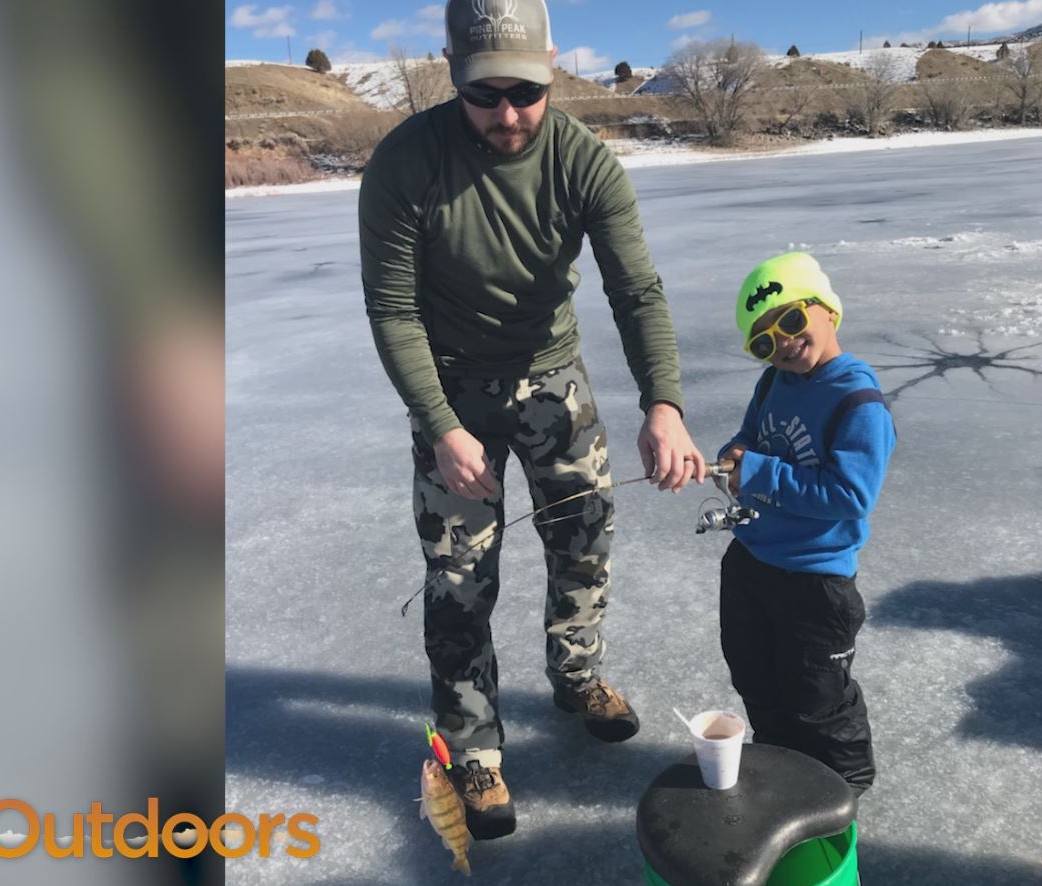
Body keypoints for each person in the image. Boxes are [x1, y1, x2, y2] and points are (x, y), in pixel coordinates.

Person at [359, 0, 706, 839]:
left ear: (552, 66)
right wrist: (441, 426)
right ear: (452, 71)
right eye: (484, 95)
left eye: (525, 91)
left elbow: (636, 291)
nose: (508, 114)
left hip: (554, 376)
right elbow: (393, 310)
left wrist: (664, 403)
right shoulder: (406, 164)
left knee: (584, 537)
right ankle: (472, 745)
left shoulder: (584, 161)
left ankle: (576, 674)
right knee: (458, 576)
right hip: (451, 387)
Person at [715, 253, 896, 797]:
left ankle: (843, 789)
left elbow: (850, 495)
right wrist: (735, 454)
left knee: (818, 699)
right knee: (754, 674)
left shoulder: (857, 401)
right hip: (752, 561)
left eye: (792, 320)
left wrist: (759, 472)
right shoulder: (775, 381)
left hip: (816, 581)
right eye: (764, 341)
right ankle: (781, 766)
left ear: (827, 310)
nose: (784, 343)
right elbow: (751, 435)